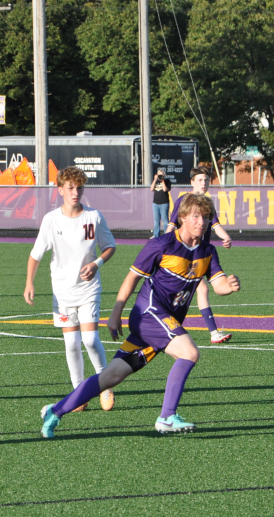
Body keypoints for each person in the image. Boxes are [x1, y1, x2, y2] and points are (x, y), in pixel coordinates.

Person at [41, 193, 241, 438]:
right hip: (149, 314)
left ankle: (55, 410)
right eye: (196, 216)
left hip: (161, 325)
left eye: (206, 217)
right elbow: (132, 278)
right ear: (182, 217)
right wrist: (116, 314)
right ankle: (167, 417)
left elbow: (219, 285)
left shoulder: (207, 251)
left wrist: (230, 286)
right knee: (189, 353)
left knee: (111, 376)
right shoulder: (161, 244)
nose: (202, 221)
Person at [25, 167, 117, 411]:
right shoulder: (51, 220)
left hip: (88, 289)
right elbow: (35, 254)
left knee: (90, 339)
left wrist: (96, 264)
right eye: (71, 188)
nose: (75, 192)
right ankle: (79, 393)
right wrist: (29, 282)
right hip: (63, 292)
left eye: (79, 187)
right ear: (60, 190)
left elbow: (110, 246)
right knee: (72, 344)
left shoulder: (94, 216)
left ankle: (105, 385)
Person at [167, 166, 233, 344]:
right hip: (183, 253)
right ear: (192, 182)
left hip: (200, 254)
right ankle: (212, 332)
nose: (204, 183)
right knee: (196, 289)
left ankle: (212, 333)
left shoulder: (207, 203)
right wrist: (165, 247)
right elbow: (171, 226)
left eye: (206, 180)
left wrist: (226, 237)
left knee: (197, 290)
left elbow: (216, 226)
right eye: (200, 180)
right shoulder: (183, 201)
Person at [150, 169, 171, 238]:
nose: (160, 176)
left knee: (165, 220)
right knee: (156, 220)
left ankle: (166, 235)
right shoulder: (156, 181)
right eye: (159, 175)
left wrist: (162, 180)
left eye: (161, 175)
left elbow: (165, 189)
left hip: (164, 203)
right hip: (156, 203)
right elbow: (151, 189)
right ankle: (156, 235)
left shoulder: (167, 181)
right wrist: (155, 179)